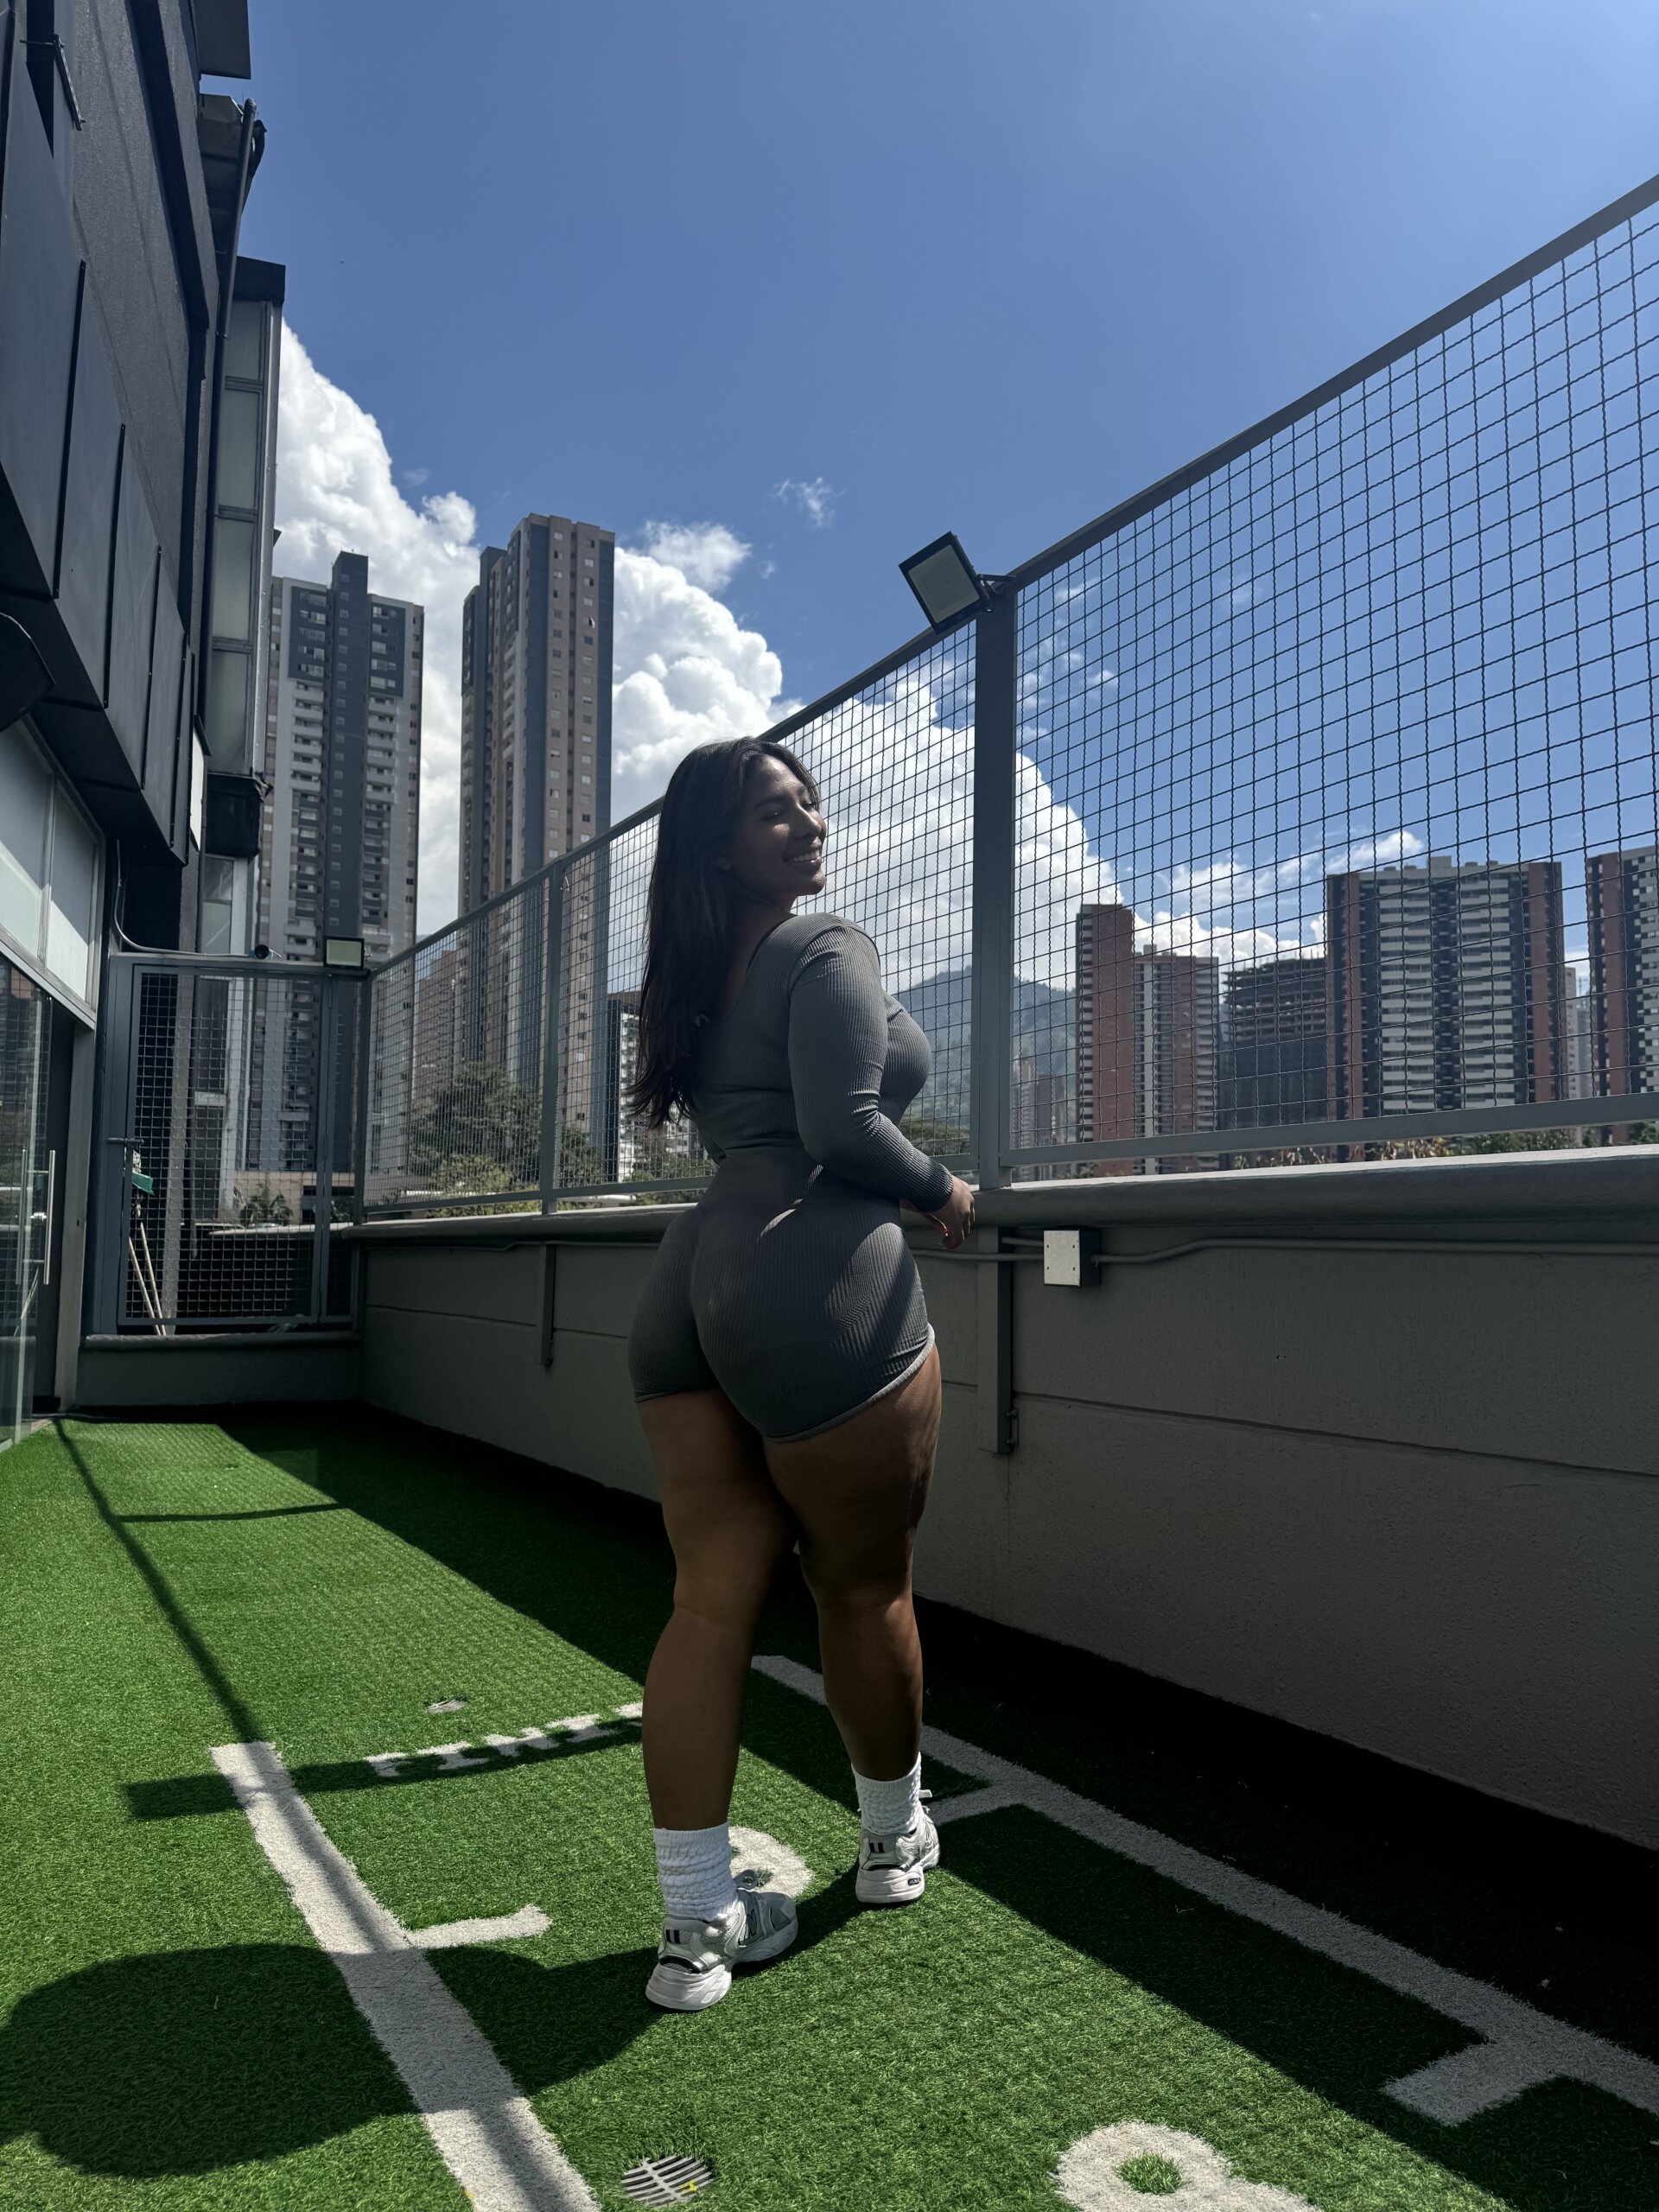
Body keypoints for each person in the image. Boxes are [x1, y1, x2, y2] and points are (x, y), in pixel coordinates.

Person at [625, 735, 976, 2011]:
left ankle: (695, 1926)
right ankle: (891, 1844)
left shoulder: (687, 976)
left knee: (708, 1604)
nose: (810, 821)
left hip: (694, 1277)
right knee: (864, 1586)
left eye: (810, 801)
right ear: (720, 846)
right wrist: (942, 1188)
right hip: (817, 1286)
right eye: (776, 811)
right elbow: (845, 1126)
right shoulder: (825, 946)